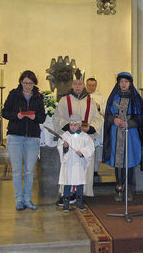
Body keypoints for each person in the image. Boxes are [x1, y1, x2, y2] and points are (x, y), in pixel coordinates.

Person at [53, 69, 102, 205]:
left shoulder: (90, 101)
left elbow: (97, 120)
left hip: (84, 140)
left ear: (84, 85)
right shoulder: (64, 100)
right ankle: (67, 194)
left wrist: (90, 127)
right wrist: (68, 126)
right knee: (69, 166)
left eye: (80, 84)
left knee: (83, 167)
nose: (78, 87)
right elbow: (58, 118)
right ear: (72, 85)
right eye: (75, 84)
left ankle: (81, 193)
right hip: (70, 139)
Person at [2, 70, 46, 211]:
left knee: (29, 170)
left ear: (34, 84)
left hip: (32, 137)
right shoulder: (14, 94)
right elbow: (5, 112)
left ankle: (28, 198)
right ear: (21, 82)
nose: (28, 86)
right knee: (16, 170)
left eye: (31, 83)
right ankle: (19, 200)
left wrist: (35, 117)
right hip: (15, 135)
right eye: (25, 83)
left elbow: (42, 117)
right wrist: (17, 115)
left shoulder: (38, 97)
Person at [103, 72, 143, 202]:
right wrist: (113, 120)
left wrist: (129, 123)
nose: (123, 84)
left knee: (129, 159)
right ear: (118, 83)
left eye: (126, 82)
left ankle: (128, 188)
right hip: (116, 132)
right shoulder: (113, 97)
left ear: (130, 83)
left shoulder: (136, 98)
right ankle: (119, 187)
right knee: (118, 160)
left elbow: (140, 118)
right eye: (121, 81)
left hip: (130, 132)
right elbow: (108, 115)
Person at [57, 114, 95, 212]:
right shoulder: (65, 135)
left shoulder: (84, 137)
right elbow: (60, 147)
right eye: (71, 124)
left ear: (79, 125)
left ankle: (79, 202)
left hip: (79, 164)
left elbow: (90, 147)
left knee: (79, 183)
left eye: (75, 125)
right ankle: (66, 203)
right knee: (67, 182)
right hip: (69, 164)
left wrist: (82, 152)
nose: (73, 127)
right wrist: (65, 147)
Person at [86, 77, 106, 180]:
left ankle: (95, 170)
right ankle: (86, 169)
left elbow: (105, 111)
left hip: (97, 126)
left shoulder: (101, 97)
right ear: (86, 85)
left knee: (97, 148)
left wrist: (98, 107)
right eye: (89, 85)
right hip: (86, 125)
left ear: (96, 86)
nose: (91, 87)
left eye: (93, 85)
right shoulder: (82, 96)